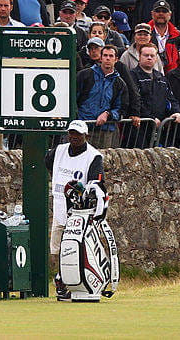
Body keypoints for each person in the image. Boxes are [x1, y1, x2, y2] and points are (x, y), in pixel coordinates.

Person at [45, 119, 104, 301]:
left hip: (81, 212)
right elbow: (48, 164)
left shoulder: (94, 156)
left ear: (85, 135)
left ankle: (73, 282)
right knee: (58, 250)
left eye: (78, 134)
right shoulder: (58, 151)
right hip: (60, 206)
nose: (74, 137)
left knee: (76, 249)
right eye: (71, 133)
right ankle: (62, 281)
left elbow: (96, 183)